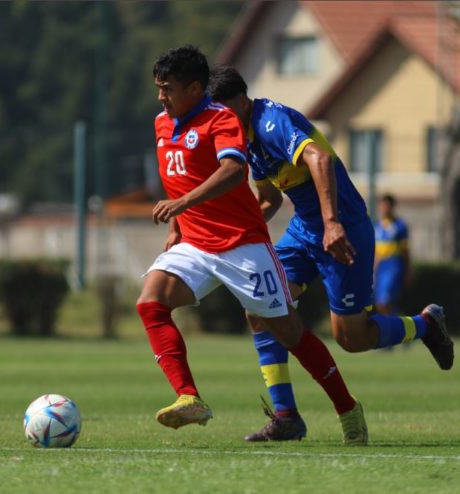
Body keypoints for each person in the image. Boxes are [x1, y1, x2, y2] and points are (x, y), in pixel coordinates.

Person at [136, 45, 367, 445]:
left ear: (194, 88)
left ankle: (347, 407)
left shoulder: (220, 119)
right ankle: (189, 397)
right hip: (195, 244)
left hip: (242, 246)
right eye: (158, 88)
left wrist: (183, 204)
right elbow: (181, 177)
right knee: (150, 303)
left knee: (290, 333)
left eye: (168, 88)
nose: (161, 96)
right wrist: (178, 224)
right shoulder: (162, 123)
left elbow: (232, 170)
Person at [207, 66, 453, 439]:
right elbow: (270, 198)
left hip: (344, 227)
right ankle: (286, 416)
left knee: (352, 338)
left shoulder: (272, 122)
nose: (218, 120)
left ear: (241, 101)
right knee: (261, 307)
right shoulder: (246, 139)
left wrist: (332, 222)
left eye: (222, 111)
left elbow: (319, 160)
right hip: (304, 231)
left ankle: (426, 325)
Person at [374, 194, 410, 316]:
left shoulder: (400, 226)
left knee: (385, 300)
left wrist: (407, 269)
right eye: (382, 206)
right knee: (379, 303)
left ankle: (398, 325)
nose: (384, 208)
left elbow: (405, 250)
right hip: (381, 267)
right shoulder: (377, 226)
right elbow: (376, 251)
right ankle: (395, 324)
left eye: (386, 206)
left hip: (393, 266)